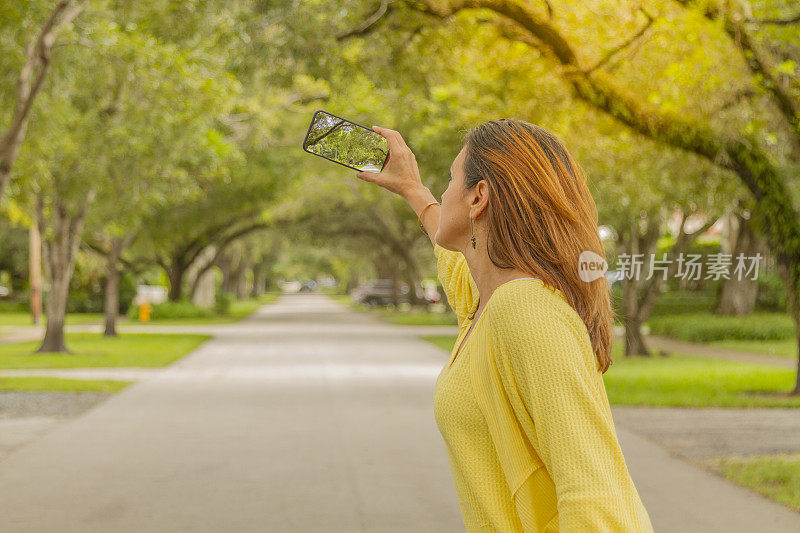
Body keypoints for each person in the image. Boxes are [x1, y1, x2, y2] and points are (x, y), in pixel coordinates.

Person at [355, 118, 655, 532]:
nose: (444, 193)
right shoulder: (487, 303)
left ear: (479, 197)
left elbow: (593, 495)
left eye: (450, 179)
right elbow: (457, 265)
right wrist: (414, 190)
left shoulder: (524, 309)